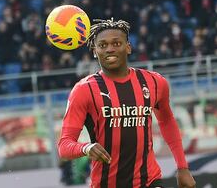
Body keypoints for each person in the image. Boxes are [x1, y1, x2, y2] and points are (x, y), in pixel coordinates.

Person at [58, 18, 196, 188]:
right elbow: (64, 146)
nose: (110, 49)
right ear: (95, 51)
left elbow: (167, 121)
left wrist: (182, 167)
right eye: (102, 45)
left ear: (128, 47)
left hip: (149, 181)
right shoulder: (83, 90)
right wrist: (86, 148)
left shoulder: (154, 82)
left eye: (116, 43)